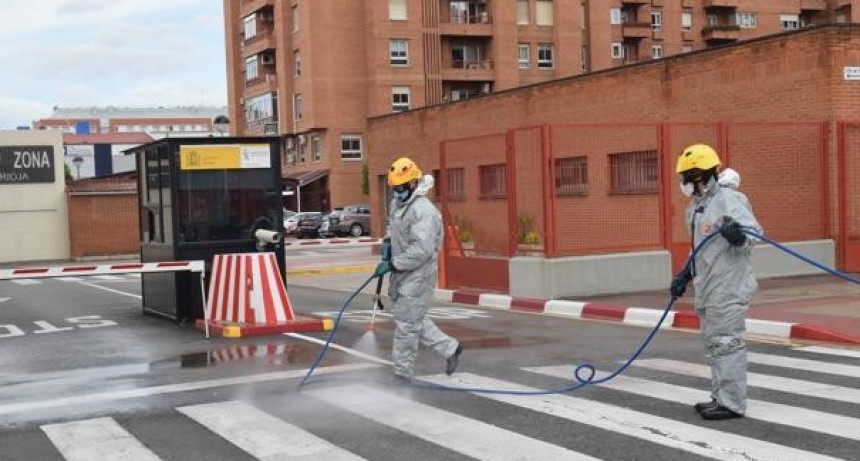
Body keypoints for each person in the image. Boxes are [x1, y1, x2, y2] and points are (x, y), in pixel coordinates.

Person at [669, 144, 762, 421]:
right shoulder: (696, 208)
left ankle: (732, 403)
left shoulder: (729, 200)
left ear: (698, 176)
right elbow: (698, 249)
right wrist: (684, 274)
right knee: (714, 344)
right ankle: (719, 396)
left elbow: (753, 234)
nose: (682, 183)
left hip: (729, 284)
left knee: (727, 342)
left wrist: (738, 236)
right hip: (708, 285)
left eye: (685, 176)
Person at [375, 157, 463, 385]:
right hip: (403, 270)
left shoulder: (424, 211)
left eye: (402, 187)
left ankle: (401, 375)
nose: (398, 192)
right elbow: (394, 230)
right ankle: (450, 348)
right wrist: (387, 246)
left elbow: (421, 249)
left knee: (406, 325)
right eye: (395, 188)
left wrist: (394, 263)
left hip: (419, 273)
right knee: (412, 318)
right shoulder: (398, 206)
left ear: (413, 184)